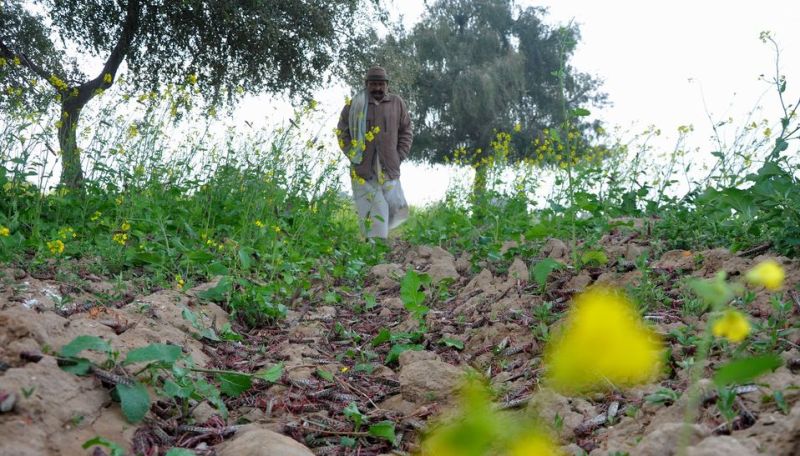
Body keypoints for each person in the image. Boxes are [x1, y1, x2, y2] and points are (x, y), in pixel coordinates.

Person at [337, 65, 413, 241]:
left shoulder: (397, 103)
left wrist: (400, 154)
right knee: (373, 207)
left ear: (387, 85)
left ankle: (378, 240)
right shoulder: (354, 105)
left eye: (381, 84)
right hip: (363, 167)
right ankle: (375, 248)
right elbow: (342, 132)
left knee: (395, 206)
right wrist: (353, 154)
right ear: (366, 84)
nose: (377, 88)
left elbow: (406, 131)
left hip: (389, 166)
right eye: (373, 84)